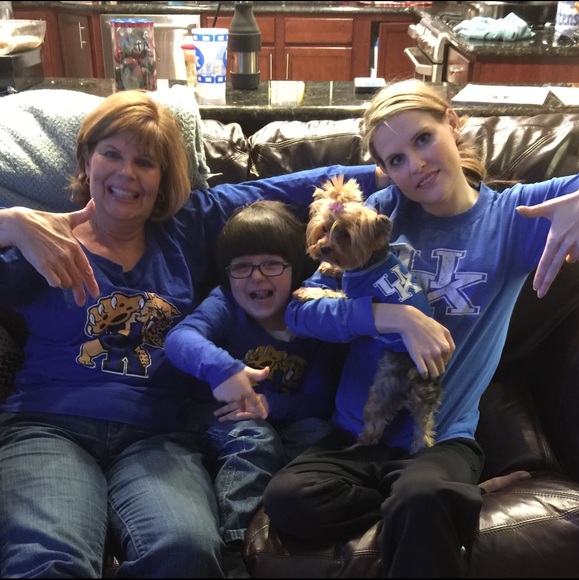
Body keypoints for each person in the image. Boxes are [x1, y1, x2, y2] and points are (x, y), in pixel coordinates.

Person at [0, 89, 381, 578]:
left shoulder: (185, 227)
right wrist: (9, 224)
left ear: (163, 179)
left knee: (188, 550)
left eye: (145, 162)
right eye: (111, 153)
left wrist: (387, 174)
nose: (126, 173)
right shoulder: (46, 239)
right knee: (49, 560)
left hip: (156, 437)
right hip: (47, 426)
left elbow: (283, 189)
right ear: (86, 160)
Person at [261, 78, 579, 578]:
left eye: (423, 139)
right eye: (396, 160)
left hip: (439, 440)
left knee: (422, 498)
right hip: (355, 436)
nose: (416, 165)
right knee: (288, 499)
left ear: (452, 124)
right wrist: (392, 316)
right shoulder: (375, 214)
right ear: (385, 170)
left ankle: (440, 499)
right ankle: (458, 499)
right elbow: (300, 312)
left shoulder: (515, 217)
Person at [165, 200, 341, 577]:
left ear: (295, 269)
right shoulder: (226, 304)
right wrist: (224, 370)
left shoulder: (313, 318)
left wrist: (269, 404)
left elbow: (321, 401)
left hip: (282, 419)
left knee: (320, 434)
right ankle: (235, 549)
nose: (257, 277)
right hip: (215, 417)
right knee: (255, 439)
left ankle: (296, 531)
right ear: (227, 274)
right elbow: (179, 339)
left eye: (272, 264)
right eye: (241, 267)